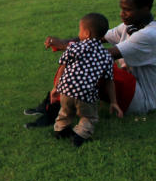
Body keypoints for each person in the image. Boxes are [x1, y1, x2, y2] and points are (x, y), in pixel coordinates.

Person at [24, 0, 156, 127]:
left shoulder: (149, 35)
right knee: (75, 60)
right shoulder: (130, 26)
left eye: (127, 10)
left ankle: (55, 109)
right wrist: (64, 42)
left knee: (83, 62)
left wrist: (65, 46)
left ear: (145, 9)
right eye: (122, 9)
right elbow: (93, 38)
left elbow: (97, 56)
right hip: (131, 85)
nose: (122, 14)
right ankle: (54, 102)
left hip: (142, 101)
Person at [51, 13, 123, 147]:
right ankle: (81, 135)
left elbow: (62, 67)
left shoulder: (73, 47)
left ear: (86, 33)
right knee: (89, 117)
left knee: (65, 111)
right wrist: (114, 102)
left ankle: (60, 130)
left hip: (66, 90)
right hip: (85, 94)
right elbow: (109, 81)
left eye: (80, 30)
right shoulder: (106, 56)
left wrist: (56, 87)